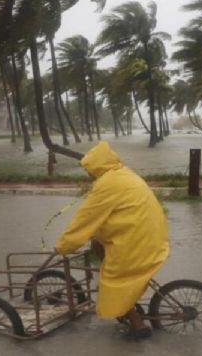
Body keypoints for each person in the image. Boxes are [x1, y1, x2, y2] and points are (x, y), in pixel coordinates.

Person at [55, 141, 169, 339]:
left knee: (112, 283)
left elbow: (84, 219)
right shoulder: (124, 174)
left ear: (96, 167)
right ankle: (130, 304)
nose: (88, 174)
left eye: (88, 169)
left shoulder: (106, 185)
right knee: (99, 245)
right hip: (152, 237)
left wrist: (63, 247)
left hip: (136, 242)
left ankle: (137, 325)